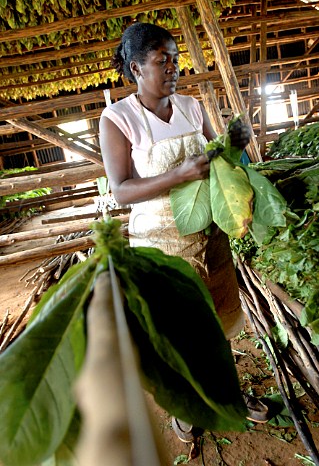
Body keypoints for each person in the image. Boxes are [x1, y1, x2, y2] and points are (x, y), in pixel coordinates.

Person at [99, 22, 268, 447]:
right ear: (137, 68)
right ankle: (185, 408)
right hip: (160, 244)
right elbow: (120, 190)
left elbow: (219, 156)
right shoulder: (118, 118)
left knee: (216, 321)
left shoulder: (192, 107)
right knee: (176, 330)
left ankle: (227, 394)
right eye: (163, 61)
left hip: (209, 235)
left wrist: (234, 142)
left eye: (176, 58)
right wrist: (178, 174)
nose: (174, 67)